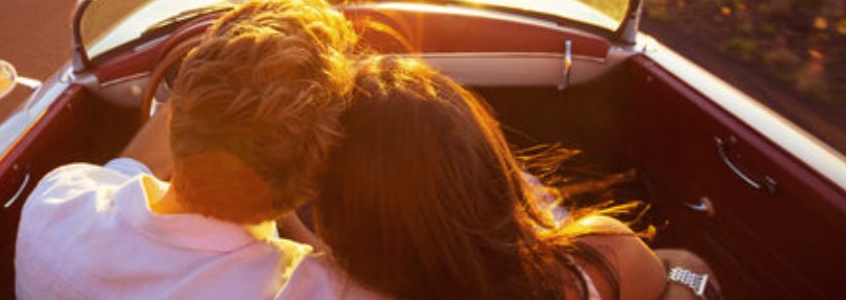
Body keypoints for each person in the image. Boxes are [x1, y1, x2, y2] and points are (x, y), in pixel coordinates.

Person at [14, 0, 373, 299]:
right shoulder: (314, 288)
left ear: (179, 111)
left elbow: (122, 176)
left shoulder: (54, 204)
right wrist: (288, 215)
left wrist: (203, 96)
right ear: (313, 180)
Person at [306, 55, 719, 300]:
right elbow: (692, 270)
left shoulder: (326, 285)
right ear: (489, 165)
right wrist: (684, 276)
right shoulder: (601, 258)